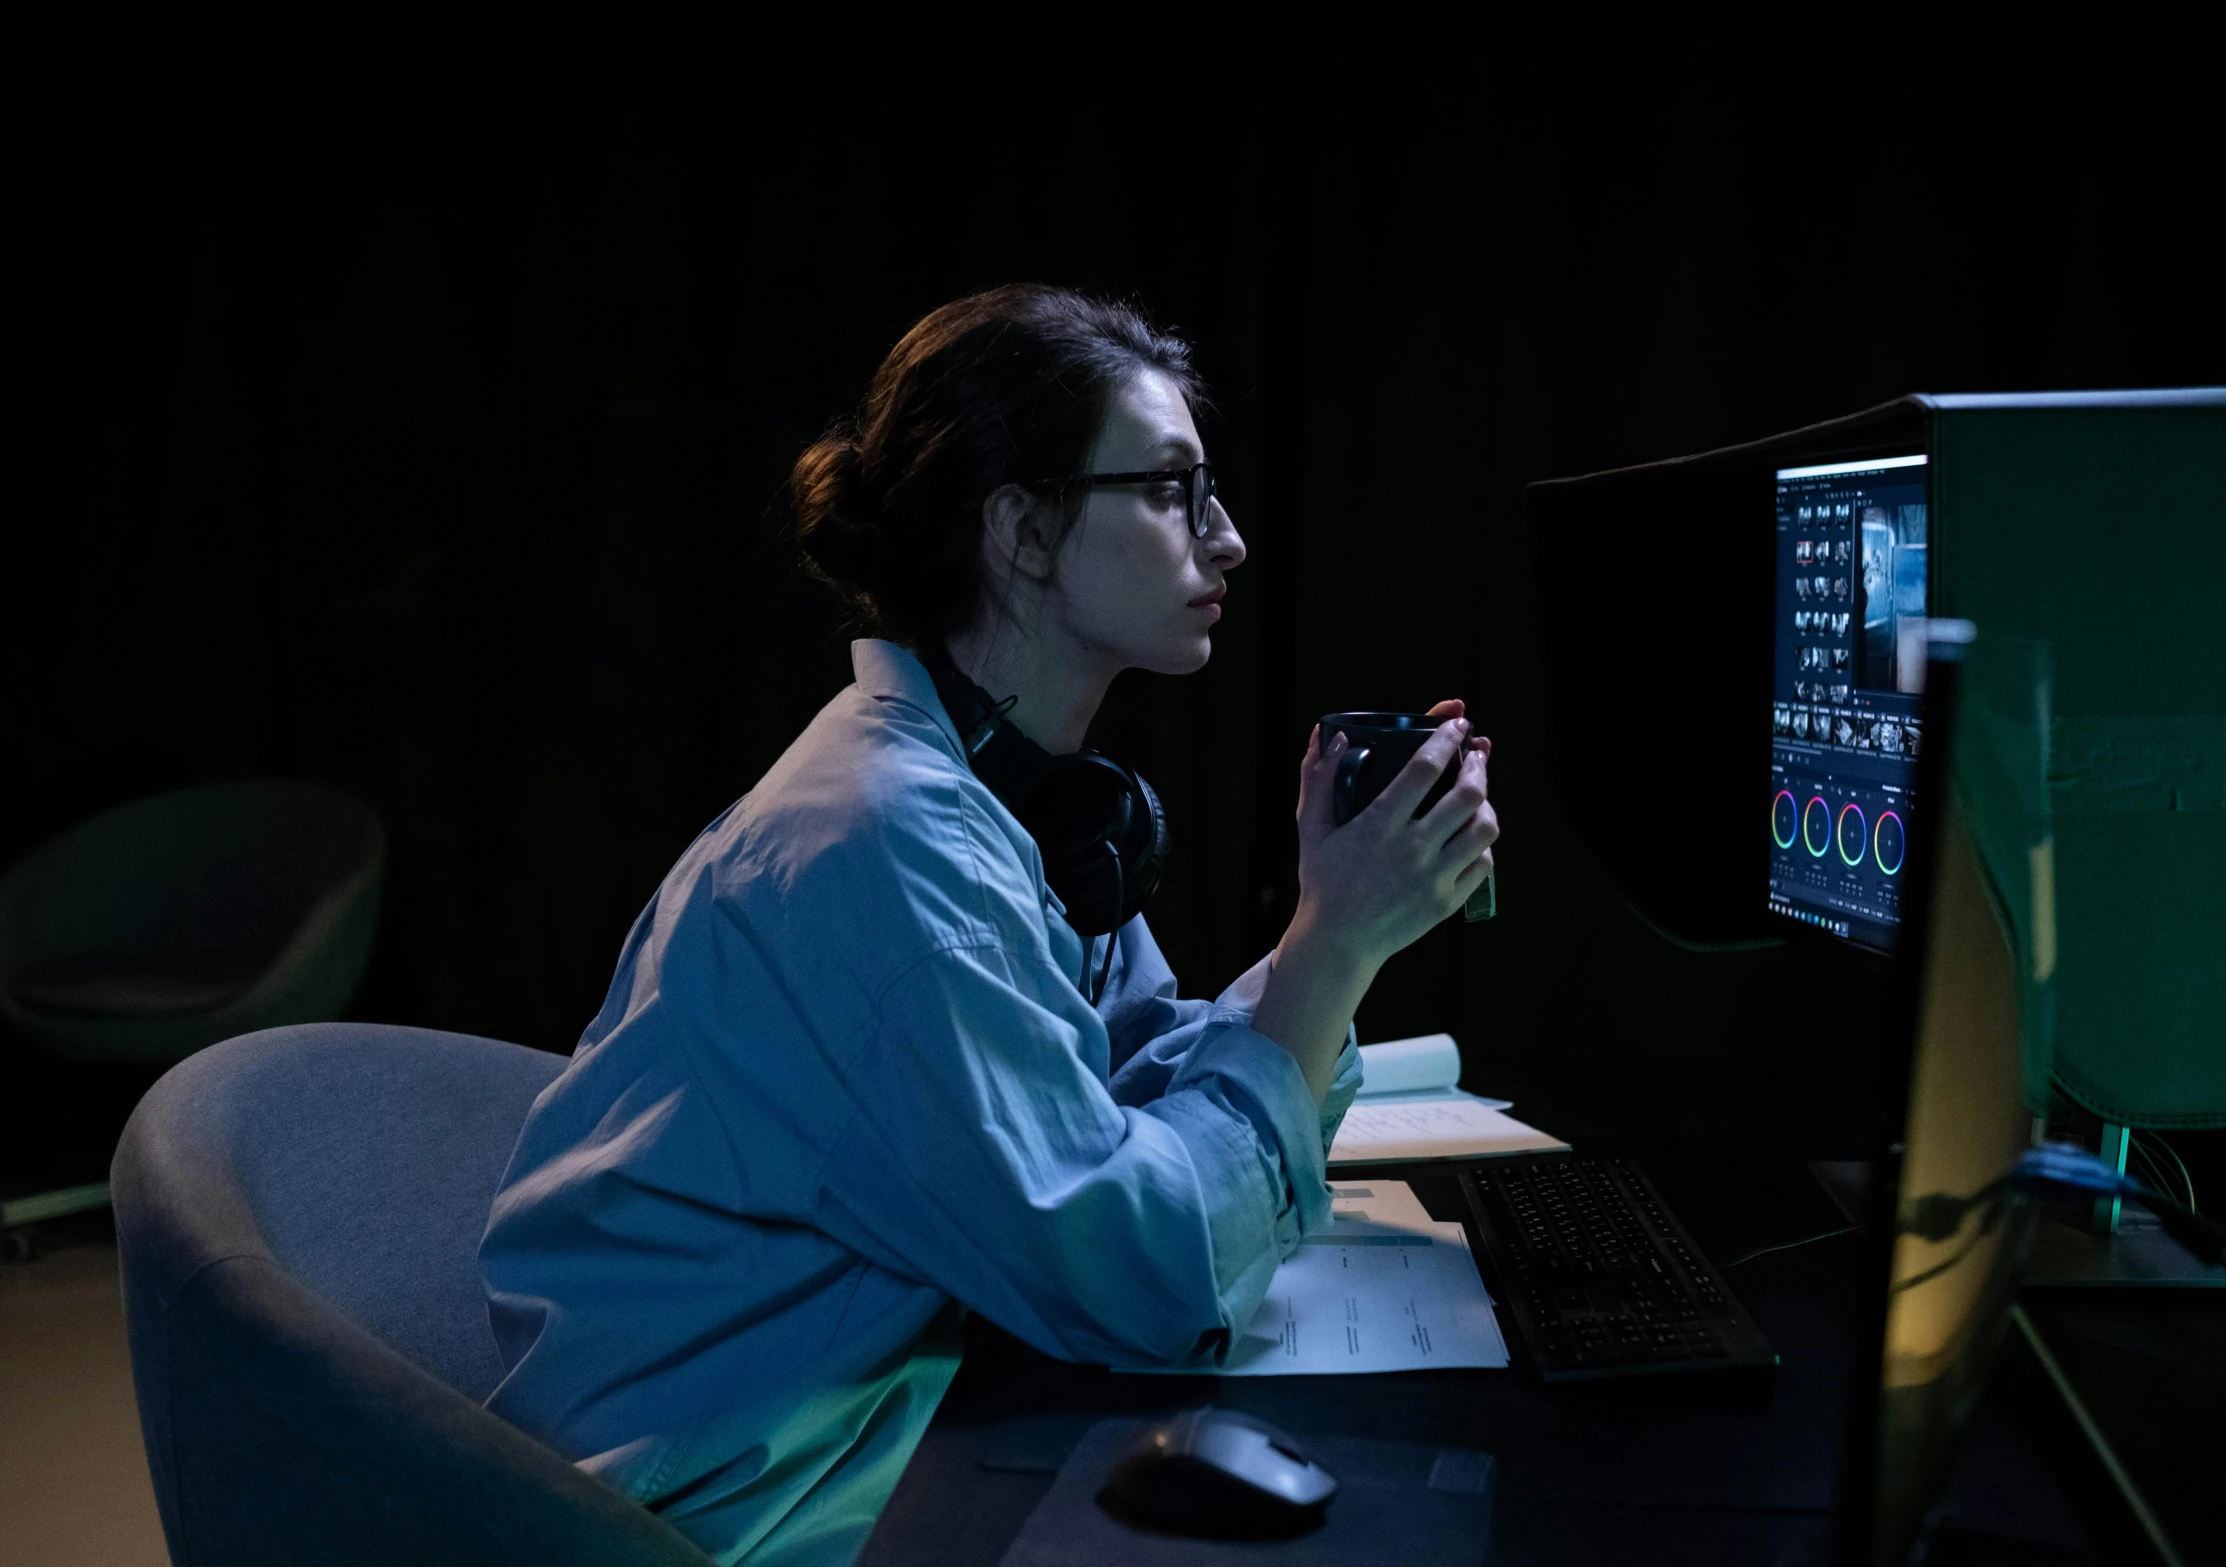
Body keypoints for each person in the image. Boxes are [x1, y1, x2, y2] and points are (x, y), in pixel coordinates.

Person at [477, 285, 1499, 1565]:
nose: (1226, 538)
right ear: (1023, 530)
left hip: (884, 1410)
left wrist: (1328, 946)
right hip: (728, 1504)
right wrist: (1331, 947)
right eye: (1172, 489)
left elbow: (1118, 1110)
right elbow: (1143, 1271)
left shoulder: (1010, 797)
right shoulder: (895, 846)